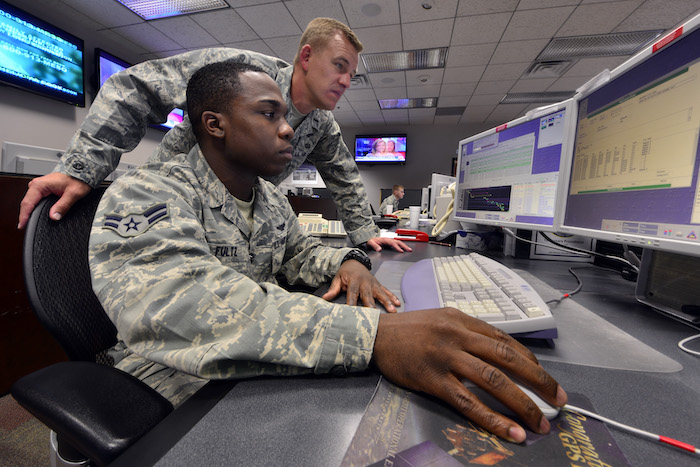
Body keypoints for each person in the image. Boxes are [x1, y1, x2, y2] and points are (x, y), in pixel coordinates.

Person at [90, 61, 567, 443]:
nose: (288, 130)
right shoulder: (147, 191)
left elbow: (299, 254)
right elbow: (188, 307)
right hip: (167, 374)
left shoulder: (269, 196)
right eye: (268, 114)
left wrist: (348, 261)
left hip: (251, 361)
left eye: (285, 116)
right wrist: (376, 334)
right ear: (215, 124)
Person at [17, 18, 411, 254]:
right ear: (306, 58)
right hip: (171, 211)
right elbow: (133, 87)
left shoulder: (322, 124)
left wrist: (365, 235)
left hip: (232, 230)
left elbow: (344, 177)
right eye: (339, 65)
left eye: (351, 74)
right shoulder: (241, 74)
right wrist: (81, 168)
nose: (345, 80)